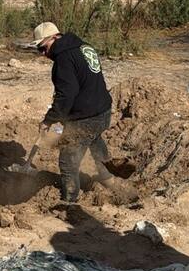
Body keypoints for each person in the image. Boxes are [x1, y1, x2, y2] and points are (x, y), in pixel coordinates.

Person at [30, 22, 129, 206]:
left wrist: (49, 120)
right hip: (103, 111)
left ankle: (70, 203)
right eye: (39, 50)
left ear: (54, 38)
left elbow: (66, 95)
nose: (43, 54)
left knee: (68, 161)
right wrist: (58, 124)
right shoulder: (83, 46)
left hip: (86, 117)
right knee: (94, 142)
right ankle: (114, 184)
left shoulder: (64, 59)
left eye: (43, 48)